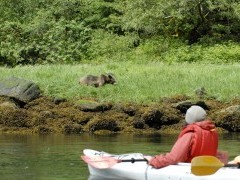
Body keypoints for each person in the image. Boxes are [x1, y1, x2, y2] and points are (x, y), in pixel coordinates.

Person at [145, 105, 220, 168]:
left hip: (190, 170)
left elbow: (174, 158)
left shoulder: (190, 134)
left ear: (188, 119)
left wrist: (153, 160)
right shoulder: (212, 133)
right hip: (206, 169)